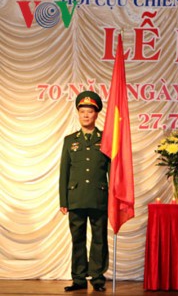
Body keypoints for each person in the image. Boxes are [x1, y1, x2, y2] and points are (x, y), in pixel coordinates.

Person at [59, 91, 110, 292]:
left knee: (99, 239)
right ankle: (79, 279)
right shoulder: (69, 140)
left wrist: (113, 198)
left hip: (99, 197)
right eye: (82, 111)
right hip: (76, 198)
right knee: (77, 239)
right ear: (78, 114)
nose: (86, 115)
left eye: (90, 111)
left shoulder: (105, 138)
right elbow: (64, 172)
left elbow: (112, 171)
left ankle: (97, 278)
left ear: (96, 114)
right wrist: (63, 200)